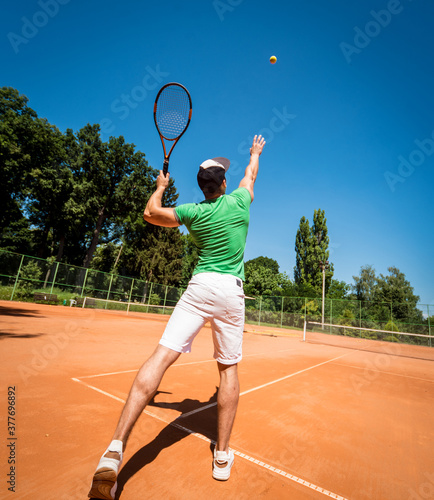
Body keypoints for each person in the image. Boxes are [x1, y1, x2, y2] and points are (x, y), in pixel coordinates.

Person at [88, 134, 266, 500]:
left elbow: (150, 213)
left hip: (199, 287)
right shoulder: (240, 200)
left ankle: (113, 451)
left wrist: (159, 187)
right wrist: (254, 153)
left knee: (160, 357)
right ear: (223, 183)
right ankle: (221, 456)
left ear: (203, 186)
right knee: (228, 370)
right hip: (231, 291)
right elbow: (251, 174)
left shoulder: (191, 213)